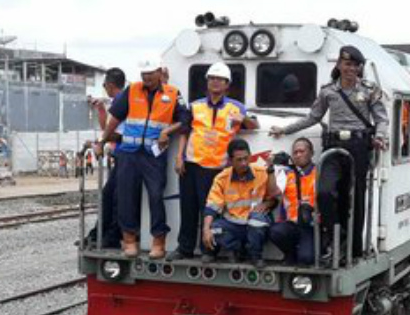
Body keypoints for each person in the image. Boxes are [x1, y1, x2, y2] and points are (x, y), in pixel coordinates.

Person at [270, 45, 388, 261]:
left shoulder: (370, 90)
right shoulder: (328, 91)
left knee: (355, 197)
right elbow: (313, 117)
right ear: (339, 65)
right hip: (334, 147)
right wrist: (285, 130)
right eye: (346, 64)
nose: (350, 68)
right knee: (324, 192)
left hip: (359, 146)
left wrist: (380, 137)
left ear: (359, 68)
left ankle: (353, 249)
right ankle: (335, 233)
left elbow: (381, 118)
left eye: (354, 65)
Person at [100, 59, 190, 259]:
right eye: (143, 74)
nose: (146, 77)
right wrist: (102, 139)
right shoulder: (131, 91)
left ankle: (159, 241)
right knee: (125, 197)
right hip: (128, 153)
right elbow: (115, 117)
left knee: (156, 196)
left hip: (153, 155)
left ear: (159, 72)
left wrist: (168, 130)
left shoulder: (173, 93)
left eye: (150, 73)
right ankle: (129, 241)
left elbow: (185, 120)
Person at [169, 62, 258, 261]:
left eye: (220, 79)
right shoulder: (195, 105)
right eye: (212, 78)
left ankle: (209, 250)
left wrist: (242, 118)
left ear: (227, 84)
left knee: (210, 210)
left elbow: (254, 124)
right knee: (188, 208)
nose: (215, 82)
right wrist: (179, 157)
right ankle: (184, 249)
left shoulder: (236, 107)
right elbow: (185, 132)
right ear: (207, 82)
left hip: (217, 167)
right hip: (191, 164)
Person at [202, 139, 277, 268]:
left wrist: (267, 204)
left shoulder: (261, 172)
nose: (243, 163)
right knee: (213, 229)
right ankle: (237, 249)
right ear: (231, 161)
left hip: (253, 220)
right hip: (233, 224)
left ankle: (255, 256)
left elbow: (274, 196)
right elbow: (212, 207)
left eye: (246, 158)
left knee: (257, 222)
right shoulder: (222, 178)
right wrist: (205, 230)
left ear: (250, 156)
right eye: (239, 160)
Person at [85, 68, 127, 248]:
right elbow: (107, 129)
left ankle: (109, 235)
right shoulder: (118, 102)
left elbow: (115, 134)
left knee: (115, 198)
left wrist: (100, 142)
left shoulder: (122, 102)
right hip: (119, 155)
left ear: (110, 85)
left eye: (104, 85)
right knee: (109, 196)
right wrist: (101, 109)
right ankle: (99, 233)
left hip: (124, 155)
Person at [269, 138, 318, 265]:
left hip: (312, 226)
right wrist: (270, 169)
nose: (298, 155)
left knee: (306, 259)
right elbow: (274, 193)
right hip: (292, 224)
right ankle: (290, 254)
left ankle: (316, 248)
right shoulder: (286, 173)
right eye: (295, 152)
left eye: (302, 151)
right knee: (275, 232)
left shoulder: (320, 172)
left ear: (311, 153)